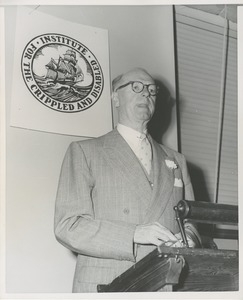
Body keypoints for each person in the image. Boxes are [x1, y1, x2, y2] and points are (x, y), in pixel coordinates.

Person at [54, 67, 201, 293]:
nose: (146, 94)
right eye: (136, 87)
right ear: (115, 98)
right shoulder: (85, 151)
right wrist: (134, 233)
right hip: (109, 282)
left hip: (165, 281)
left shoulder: (177, 160)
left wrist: (189, 239)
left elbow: (192, 220)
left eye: (152, 90)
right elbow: (69, 226)